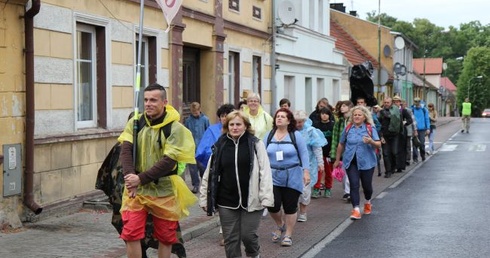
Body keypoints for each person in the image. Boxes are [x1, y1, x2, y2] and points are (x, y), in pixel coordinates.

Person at [118, 83, 197, 258]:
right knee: (131, 233)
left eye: (153, 100)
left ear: (164, 102)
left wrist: (140, 179)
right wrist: (131, 178)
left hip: (164, 189)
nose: (148, 104)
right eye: (146, 100)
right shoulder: (136, 122)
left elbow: (168, 161)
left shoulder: (175, 129)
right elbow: (126, 149)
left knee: (166, 237)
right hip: (136, 191)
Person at [199, 110, 274, 258]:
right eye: (231, 124)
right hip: (226, 200)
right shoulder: (220, 145)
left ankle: (254, 254)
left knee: (248, 236)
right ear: (227, 126)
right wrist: (204, 198)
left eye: (238, 124)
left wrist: (266, 196)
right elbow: (210, 173)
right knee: (230, 240)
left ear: (245, 126)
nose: (235, 127)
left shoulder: (255, 144)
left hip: (252, 199)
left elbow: (265, 172)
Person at [264, 108, 309, 247]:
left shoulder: (295, 135)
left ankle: (288, 235)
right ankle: (280, 224)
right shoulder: (269, 135)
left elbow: (304, 154)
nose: (279, 118)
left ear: (289, 120)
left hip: (292, 175)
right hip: (273, 175)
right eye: (277, 116)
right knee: (272, 204)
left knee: (290, 206)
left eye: (283, 116)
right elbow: (261, 154)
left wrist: (306, 172)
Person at [333, 106, 381, 220]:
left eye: (359, 115)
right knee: (354, 185)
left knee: (367, 187)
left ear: (364, 117)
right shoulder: (348, 128)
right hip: (351, 162)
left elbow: (378, 144)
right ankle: (356, 209)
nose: (357, 117)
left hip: (367, 162)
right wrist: (337, 159)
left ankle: (368, 202)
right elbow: (341, 144)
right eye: (355, 115)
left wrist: (371, 141)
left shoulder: (370, 128)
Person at [294, 110, 326, 222]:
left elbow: (317, 148)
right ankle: (293, 212)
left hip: (308, 165)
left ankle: (303, 212)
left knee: (304, 190)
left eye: (300, 122)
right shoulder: (291, 131)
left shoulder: (311, 131)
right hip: (293, 165)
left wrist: (320, 162)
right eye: (296, 122)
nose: (298, 124)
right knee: (293, 190)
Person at [330, 100, 354, 201]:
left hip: (352, 149)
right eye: (341, 106)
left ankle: (349, 192)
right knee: (344, 171)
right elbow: (335, 137)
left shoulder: (353, 120)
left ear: (350, 107)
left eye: (344, 106)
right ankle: (346, 191)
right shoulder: (339, 121)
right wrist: (334, 154)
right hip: (342, 150)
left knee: (350, 171)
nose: (342, 108)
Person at [184, 102, 210, 193]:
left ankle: (205, 184)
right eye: (193, 112)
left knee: (203, 167)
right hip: (191, 147)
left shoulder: (205, 119)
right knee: (193, 168)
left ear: (200, 110)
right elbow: (186, 133)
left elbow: (208, 132)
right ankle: (195, 185)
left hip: (202, 147)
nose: (195, 114)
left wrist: (207, 145)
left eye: (196, 112)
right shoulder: (188, 121)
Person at [312, 107, 335, 198]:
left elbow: (334, 139)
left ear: (329, 115)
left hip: (328, 152)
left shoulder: (333, 125)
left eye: (326, 114)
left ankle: (328, 188)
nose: (324, 115)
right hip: (318, 153)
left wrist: (333, 151)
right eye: (322, 114)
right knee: (318, 171)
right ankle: (316, 189)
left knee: (329, 172)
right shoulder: (316, 126)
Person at [378, 97, 401, 178]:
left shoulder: (395, 110)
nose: (386, 104)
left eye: (388, 102)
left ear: (391, 103)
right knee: (386, 154)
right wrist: (381, 136)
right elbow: (378, 125)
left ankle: (393, 167)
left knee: (394, 153)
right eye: (385, 102)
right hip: (385, 135)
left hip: (394, 135)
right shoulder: (380, 112)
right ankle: (388, 171)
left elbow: (391, 117)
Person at [393, 96, 413, 172]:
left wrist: (405, 122)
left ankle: (400, 166)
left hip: (402, 132)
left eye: (397, 102)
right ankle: (394, 165)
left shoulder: (403, 111)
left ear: (399, 103)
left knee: (401, 149)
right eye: (394, 102)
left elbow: (410, 120)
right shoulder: (391, 110)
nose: (396, 103)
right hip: (393, 132)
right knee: (394, 149)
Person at [411, 97, 430, 162]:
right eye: (415, 101)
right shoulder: (412, 110)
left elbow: (427, 119)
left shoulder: (424, 110)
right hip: (414, 129)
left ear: (420, 102)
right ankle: (415, 158)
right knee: (415, 144)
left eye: (418, 102)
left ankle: (423, 155)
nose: (416, 103)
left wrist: (428, 128)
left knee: (422, 143)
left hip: (422, 129)